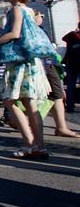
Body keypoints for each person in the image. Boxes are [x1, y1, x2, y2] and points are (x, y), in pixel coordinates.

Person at [0, 0, 51, 160]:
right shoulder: (28, 10)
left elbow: (14, 34)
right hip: (29, 61)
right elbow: (9, 32)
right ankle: (40, 146)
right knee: (30, 104)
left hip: (18, 63)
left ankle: (28, 143)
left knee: (9, 101)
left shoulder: (16, 10)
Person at [33, 10, 77, 138]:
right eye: (40, 16)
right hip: (47, 64)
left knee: (54, 95)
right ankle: (61, 127)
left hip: (46, 64)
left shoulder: (36, 30)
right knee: (56, 94)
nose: (42, 18)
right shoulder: (37, 31)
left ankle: (60, 126)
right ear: (35, 17)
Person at [62, 22, 80, 113]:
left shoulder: (71, 36)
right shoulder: (74, 35)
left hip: (70, 63)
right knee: (71, 85)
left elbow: (63, 38)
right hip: (76, 63)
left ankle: (69, 106)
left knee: (70, 85)